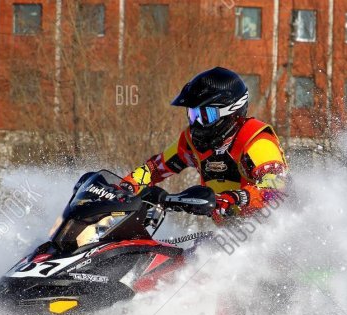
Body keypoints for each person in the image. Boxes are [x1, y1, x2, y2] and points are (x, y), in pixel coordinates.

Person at [122, 67, 288, 224]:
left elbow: (277, 187)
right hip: (231, 234)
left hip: (273, 232)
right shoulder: (191, 142)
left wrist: (235, 198)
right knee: (179, 253)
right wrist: (125, 188)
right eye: (193, 114)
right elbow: (154, 169)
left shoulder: (256, 141)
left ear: (231, 112)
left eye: (205, 115)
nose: (197, 123)